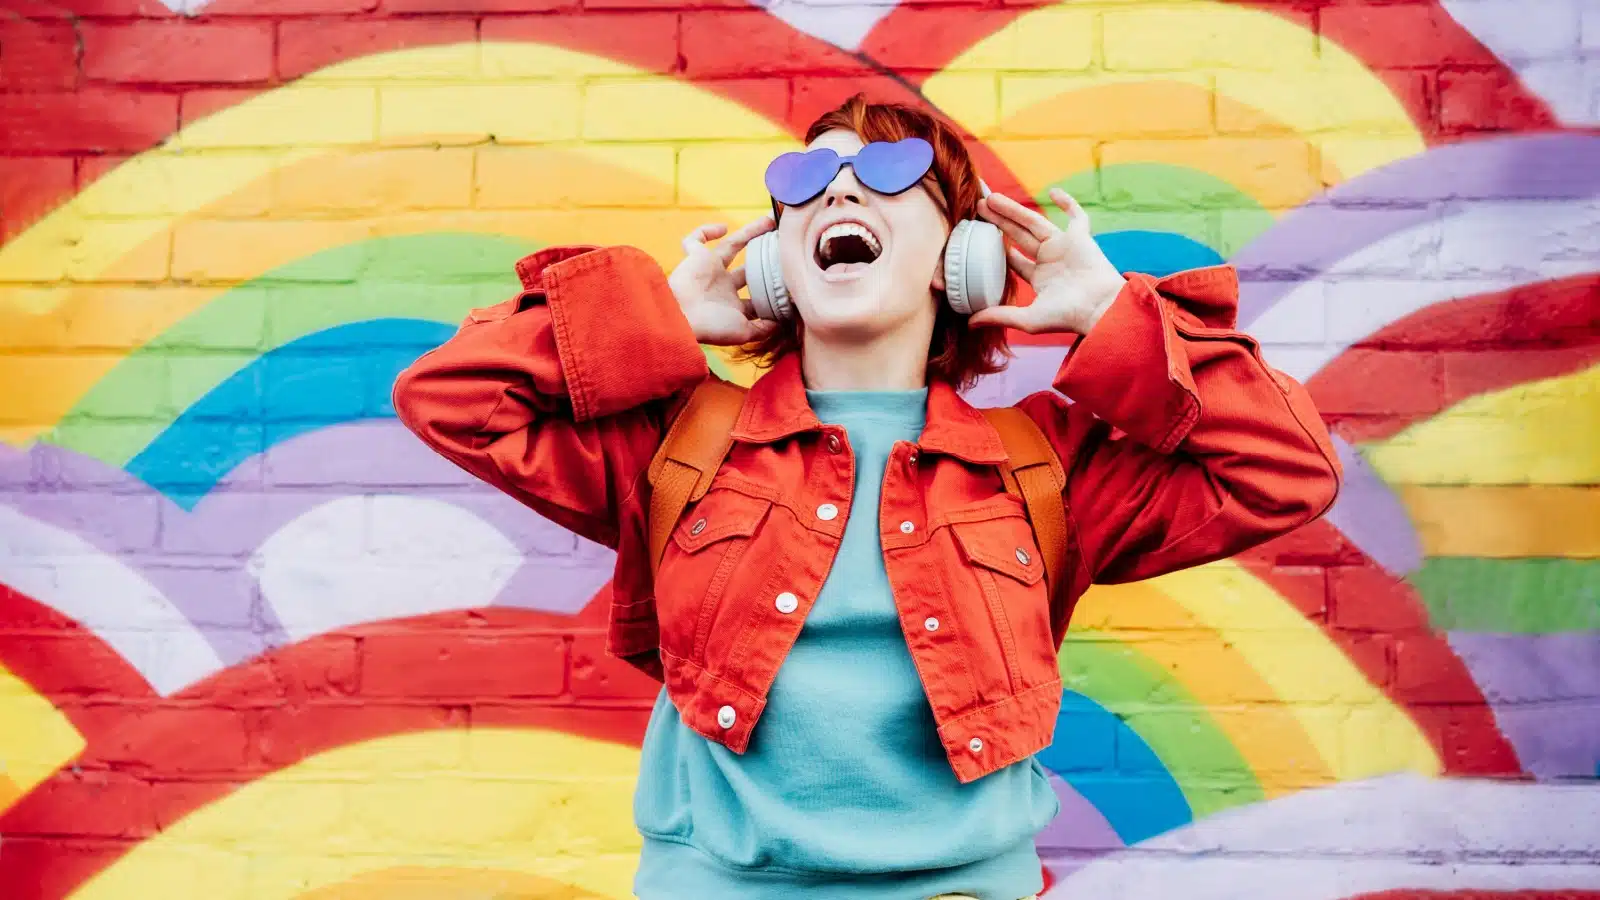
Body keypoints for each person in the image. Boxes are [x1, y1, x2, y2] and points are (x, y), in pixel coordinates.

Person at [392, 94, 1342, 900]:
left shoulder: (1045, 467)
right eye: (804, 180)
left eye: (889, 172)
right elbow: (450, 396)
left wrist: (1109, 316)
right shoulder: (677, 444)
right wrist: (658, 317)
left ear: (961, 254)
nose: (839, 190)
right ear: (778, 264)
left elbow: (1287, 468)